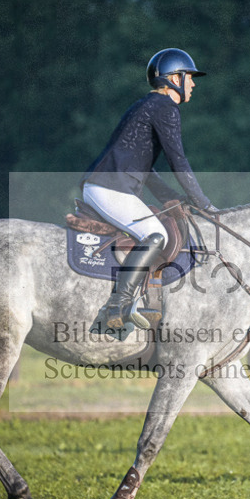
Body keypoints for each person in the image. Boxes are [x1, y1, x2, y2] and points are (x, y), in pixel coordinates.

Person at [81, 48, 214, 331]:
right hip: (110, 188)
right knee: (155, 234)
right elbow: (178, 160)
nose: (193, 83)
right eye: (189, 77)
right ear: (174, 78)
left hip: (107, 185)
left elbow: (145, 167)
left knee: (155, 230)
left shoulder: (146, 105)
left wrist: (171, 197)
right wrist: (204, 203)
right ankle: (118, 305)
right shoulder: (166, 108)